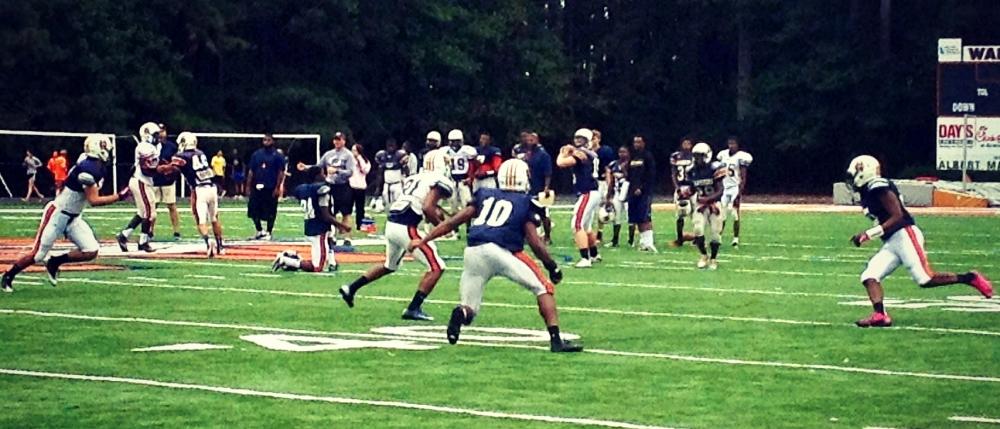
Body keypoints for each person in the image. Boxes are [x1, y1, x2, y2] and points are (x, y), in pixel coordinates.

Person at [408, 159, 581, 353]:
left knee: (469, 309)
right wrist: (552, 267)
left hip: (473, 251)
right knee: (543, 288)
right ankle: (556, 340)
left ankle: (461, 313)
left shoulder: (485, 195)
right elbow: (534, 242)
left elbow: (453, 222)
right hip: (502, 252)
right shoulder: (525, 202)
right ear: (524, 178)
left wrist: (423, 241)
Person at [845, 155, 993, 327]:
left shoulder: (878, 187)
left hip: (905, 234)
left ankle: (969, 277)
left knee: (925, 279)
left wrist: (869, 234)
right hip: (892, 241)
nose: (852, 180)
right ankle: (880, 315)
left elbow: (898, 216)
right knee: (869, 276)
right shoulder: (868, 191)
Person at [339, 151, 454, 321]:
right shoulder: (439, 180)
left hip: (392, 224)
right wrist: (442, 226)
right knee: (437, 267)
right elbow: (427, 208)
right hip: (406, 226)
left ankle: (351, 288)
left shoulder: (416, 177)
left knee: (390, 266)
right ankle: (413, 308)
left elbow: (425, 203)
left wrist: (441, 216)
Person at [3, 136, 127, 292]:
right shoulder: (88, 169)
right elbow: (94, 200)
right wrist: (120, 196)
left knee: (90, 251)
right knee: (38, 255)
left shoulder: (93, 164)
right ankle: (9, 276)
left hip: (74, 217)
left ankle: (55, 262)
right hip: (57, 214)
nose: (108, 153)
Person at [272, 166, 352, 273]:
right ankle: (287, 260)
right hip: (319, 228)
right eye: (322, 173)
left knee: (328, 242)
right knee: (317, 267)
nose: (324, 176)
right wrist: (342, 225)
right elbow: (325, 215)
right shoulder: (322, 189)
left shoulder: (302, 189)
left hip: (310, 225)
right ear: (317, 176)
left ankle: (331, 263)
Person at [117, 122, 177, 253]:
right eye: (155, 135)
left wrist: (167, 167)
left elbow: (154, 165)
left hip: (143, 181)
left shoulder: (154, 147)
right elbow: (147, 170)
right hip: (141, 181)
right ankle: (143, 241)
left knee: (142, 213)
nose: (158, 137)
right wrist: (164, 169)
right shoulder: (144, 147)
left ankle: (123, 235)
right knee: (151, 214)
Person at [172, 132, 225, 257]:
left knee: (201, 221)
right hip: (212, 188)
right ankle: (220, 246)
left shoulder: (181, 156)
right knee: (214, 218)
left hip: (199, 190)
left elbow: (173, 169)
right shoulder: (201, 153)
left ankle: (208, 241)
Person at [299, 132, 356, 245]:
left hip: (343, 185)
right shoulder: (328, 154)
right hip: (330, 185)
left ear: (344, 141)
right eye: (335, 139)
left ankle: (346, 237)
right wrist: (306, 167)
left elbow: (350, 172)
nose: (337, 142)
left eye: (339, 140)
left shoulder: (348, 155)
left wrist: (337, 171)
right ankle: (332, 235)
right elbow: (318, 166)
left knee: (346, 212)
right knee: (330, 211)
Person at [556, 128, 601, 268]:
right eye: (576, 138)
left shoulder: (582, 153)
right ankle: (594, 254)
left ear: (586, 141)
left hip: (587, 191)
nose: (577, 141)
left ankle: (585, 258)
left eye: (581, 139)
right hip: (592, 191)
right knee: (586, 226)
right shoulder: (591, 153)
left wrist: (562, 153)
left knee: (577, 225)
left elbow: (561, 163)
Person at [687, 142, 726, 270]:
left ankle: (713, 258)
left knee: (715, 234)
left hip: (714, 204)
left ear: (707, 155)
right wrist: (685, 192)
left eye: (700, 156)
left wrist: (708, 199)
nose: (697, 159)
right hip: (700, 204)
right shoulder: (692, 171)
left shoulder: (714, 168)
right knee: (698, 229)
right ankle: (703, 255)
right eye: (696, 156)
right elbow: (692, 188)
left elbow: (720, 190)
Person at [514, 131, 554, 244]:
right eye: (528, 140)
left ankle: (547, 236)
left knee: (544, 213)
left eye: (532, 140)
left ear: (537, 140)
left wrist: (546, 187)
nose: (530, 142)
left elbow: (548, 173)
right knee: (524, 213)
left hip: (539, 187)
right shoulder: (523, 154)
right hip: (525, 187)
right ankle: (527, 235)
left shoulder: (543, 154)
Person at [247, 134, 286, 240]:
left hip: (271, 187)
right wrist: (248, 185)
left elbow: (281, 172)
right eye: (264, 140)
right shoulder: (256, 154)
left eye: (268, 140)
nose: (266, 142)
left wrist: (277, 187)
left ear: (272, 141)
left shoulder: (277, 155)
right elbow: (251, 170)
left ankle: (269, 231)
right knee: (253, 209)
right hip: (257, 186)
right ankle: (259, 230)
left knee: (271, 211)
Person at [716, 136, 753, 247]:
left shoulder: (741, 157)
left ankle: (735, 238)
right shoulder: (722, 155)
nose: (731, 146)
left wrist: (740, 190)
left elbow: (743, 175)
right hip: (724, 187)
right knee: (721, 214)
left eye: (733, 143)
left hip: (734, 187)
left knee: (735, 214)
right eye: (730, 143)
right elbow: (718, 171)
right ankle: (718, 237)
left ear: (738, 145)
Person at [444, 129, 477, 237]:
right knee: (453, 206)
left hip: (464, 181)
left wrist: (470, 178)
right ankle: (455, 231)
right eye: (452, 141)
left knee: (466, 206)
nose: (454, 144)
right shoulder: (446, 151)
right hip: (453, 180)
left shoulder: (468, 150)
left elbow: (474, 164)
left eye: (456, 141)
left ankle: (469, 229)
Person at [151, 124, 182, 240]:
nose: (161, 133)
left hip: (168, 180)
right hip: (154, 179)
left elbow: (177, 162)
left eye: (163, 131)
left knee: (171, 205)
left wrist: (169, 168)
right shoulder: (151, 147)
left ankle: (176, 231)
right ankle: (149, 231)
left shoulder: (171, 147)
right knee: (152, 206)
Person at [628, 135, 657, 252]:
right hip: (632, 191)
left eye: (639, 142)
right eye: (635, 142)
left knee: (645, 216)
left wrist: (642, 188)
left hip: (644, 192)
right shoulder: (633, 157)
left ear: (644, 143)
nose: (636, 145)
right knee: (637, 218)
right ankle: (643, 242)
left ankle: (649, 242)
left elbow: (650, 175)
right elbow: (630, 175)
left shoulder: (647, 156)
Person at [669, 137, 695, 247]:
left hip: (692, 187)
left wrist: (693, 187)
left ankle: (697, 237)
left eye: (689, 143)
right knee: (680, 214)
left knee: (695, 213)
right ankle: (679, 238)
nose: (686, 146)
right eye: (685, 143)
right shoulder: (676, 156)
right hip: (680, 186)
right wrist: (677, 187)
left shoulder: (695, 156)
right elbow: (673, 173)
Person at [591, 129, 615, 243]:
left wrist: (608, 184)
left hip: (601, 182)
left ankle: (599, 233)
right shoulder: (587, 152)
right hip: (591, 182)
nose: (592, 140)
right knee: (591, 209)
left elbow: (608, 170)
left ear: (598, 139)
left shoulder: (605, 151)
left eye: (594, 138)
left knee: (601, 208)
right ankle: (589, 232)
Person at [604, 146, 630, 247]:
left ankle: (631, 241)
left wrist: (624, 170)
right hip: (617, 193)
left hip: (628, 193)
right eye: (620, 152)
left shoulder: (631, 164)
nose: (622, 154)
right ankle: (615, 240)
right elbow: (611, 181)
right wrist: (608, 195)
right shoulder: (613, 164)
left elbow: (632, 177)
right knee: (616, 217)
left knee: (630, 217)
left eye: (624, 152)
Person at [374, 139, 406, 212]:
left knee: (398, 202)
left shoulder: (400, 155)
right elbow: (380, 173)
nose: (390, 148)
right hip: (387, 183)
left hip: (397, 183)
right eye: (389, 146)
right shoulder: (382, 155)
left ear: (396, 146)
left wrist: (403, 164)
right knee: (388, 203)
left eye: (392, 146)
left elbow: (405, 171)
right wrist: (378, 187)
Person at [349, 143, 371, 234]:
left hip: (360, 186)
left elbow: (365, 170)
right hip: (350, 186)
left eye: (355, 150)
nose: (353, 152)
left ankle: (359, 225)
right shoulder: (349, 161)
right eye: (352, 150)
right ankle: (347, 225)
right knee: (348, 207)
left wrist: (359, 159)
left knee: (360, 208)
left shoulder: (365, 161)